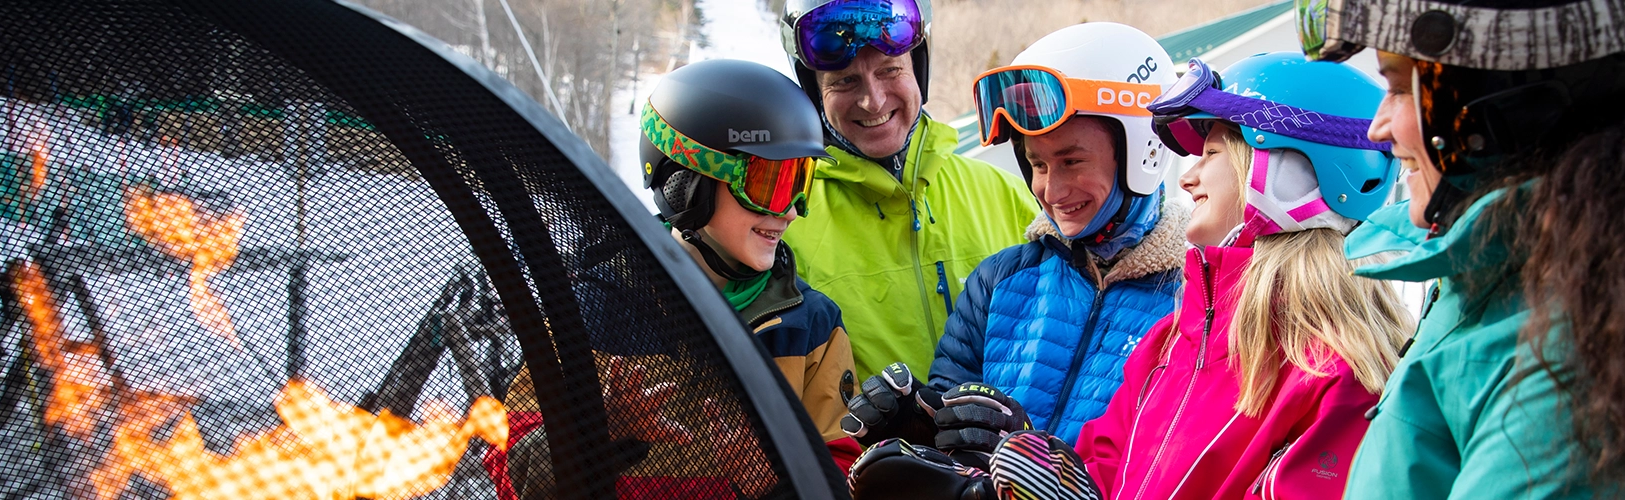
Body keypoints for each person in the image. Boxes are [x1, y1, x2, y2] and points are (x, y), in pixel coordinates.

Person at [1297, 0, 1625, 497]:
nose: (1378, 127)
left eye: (1400, 88)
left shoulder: (1577, 377)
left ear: (1509, 99)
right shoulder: (1539, 273)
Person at [844, 52, 1413, 500]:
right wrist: (969, 452)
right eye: (1038, 165)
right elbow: (1095, 474)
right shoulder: (1179, 339)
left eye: (1211, 152)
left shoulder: (1336, 372)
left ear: (1286, 170)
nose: (1188, 178)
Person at [486, 59, 858, 500]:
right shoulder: (589, 313)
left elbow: (848, 474)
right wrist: (597, 434)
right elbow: (509, 477)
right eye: (769, 184)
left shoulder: (811, 327)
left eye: (800, 183)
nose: (790, 210)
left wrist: (775, 479)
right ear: (686, 184)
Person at [837, 22, 1188, 454]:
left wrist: (1034, 456)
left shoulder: (1196, 301)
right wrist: (916, 425)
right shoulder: (1001, 280)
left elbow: (1178, 465)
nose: (1052, 192)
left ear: (1144, 150)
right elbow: (953, 437)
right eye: (1038, 165)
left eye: (1072, 160)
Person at [778, 0, 1042, 381]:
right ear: (814, 93)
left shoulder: (1008, 194)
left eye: (890, 70)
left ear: (919, 69)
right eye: (845, 81)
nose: (874, 100)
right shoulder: (785, 221)